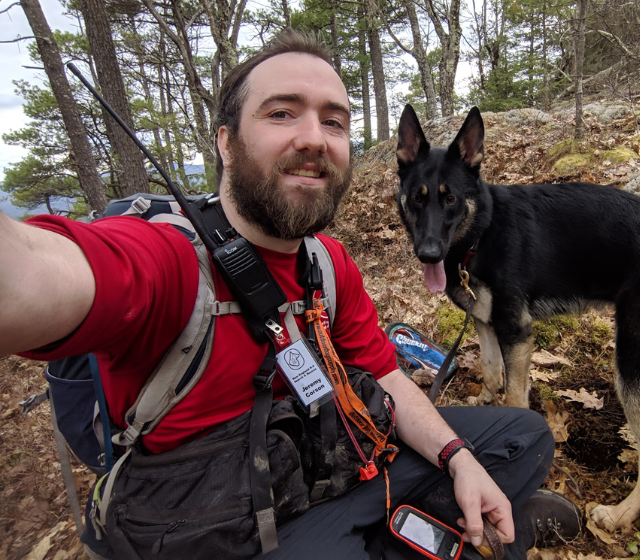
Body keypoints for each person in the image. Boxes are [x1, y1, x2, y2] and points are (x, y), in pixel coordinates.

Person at [0, 29, 581, 560]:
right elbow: (30, 275)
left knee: (520, 436)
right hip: (225, 524)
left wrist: (457, 459)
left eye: (334, 122)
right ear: (227, 143)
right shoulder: (168, 261)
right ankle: (455, 535)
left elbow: (387, 376)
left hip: (325, 461)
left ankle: (414, 527)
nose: (313, 138)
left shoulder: (326, 265)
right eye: (282, 113)